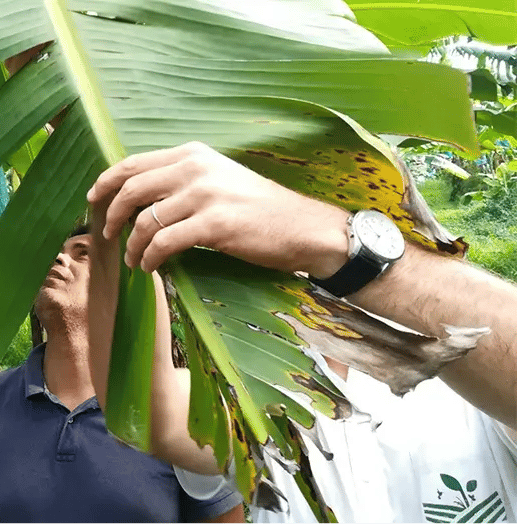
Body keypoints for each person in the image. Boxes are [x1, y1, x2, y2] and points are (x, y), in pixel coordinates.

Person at [85, 141, 517, 523]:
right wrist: (110, 193)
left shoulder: (471, 384)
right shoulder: (270, 386)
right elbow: (149, 407)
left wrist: (339, 242)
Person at [0, 226, 245, 523]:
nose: (59, 258)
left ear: (128, 289)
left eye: (83, 253)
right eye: (58, 250)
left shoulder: (175, 408)